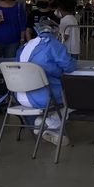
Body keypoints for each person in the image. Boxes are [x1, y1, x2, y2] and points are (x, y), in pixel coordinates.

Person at [14, 18, 76, 147]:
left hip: (20, 96)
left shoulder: (26, 46)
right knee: (75, 97)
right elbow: (69, 66)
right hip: (43, 97)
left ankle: (46, 125)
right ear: (54, 30)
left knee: (57, 96)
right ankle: (48, 122)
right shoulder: (53, 44)